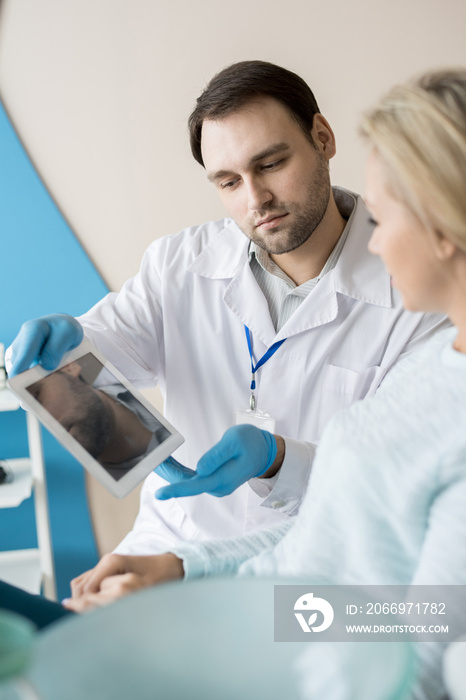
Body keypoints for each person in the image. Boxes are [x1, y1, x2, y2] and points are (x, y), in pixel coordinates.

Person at [1, 67, 465, 700]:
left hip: (291, 629)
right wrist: (66, 356)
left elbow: (421, 627)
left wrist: (277, 473)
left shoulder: (425, 327)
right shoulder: (183, 264)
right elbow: (335, 533)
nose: (254, 199)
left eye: (271, 164)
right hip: (219, 573)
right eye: (227, 181)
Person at [27, 359, 170, 478]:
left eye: (36, 396)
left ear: (68, 367)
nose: (45, 422)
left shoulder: (138, 373)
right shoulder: (108, 501)